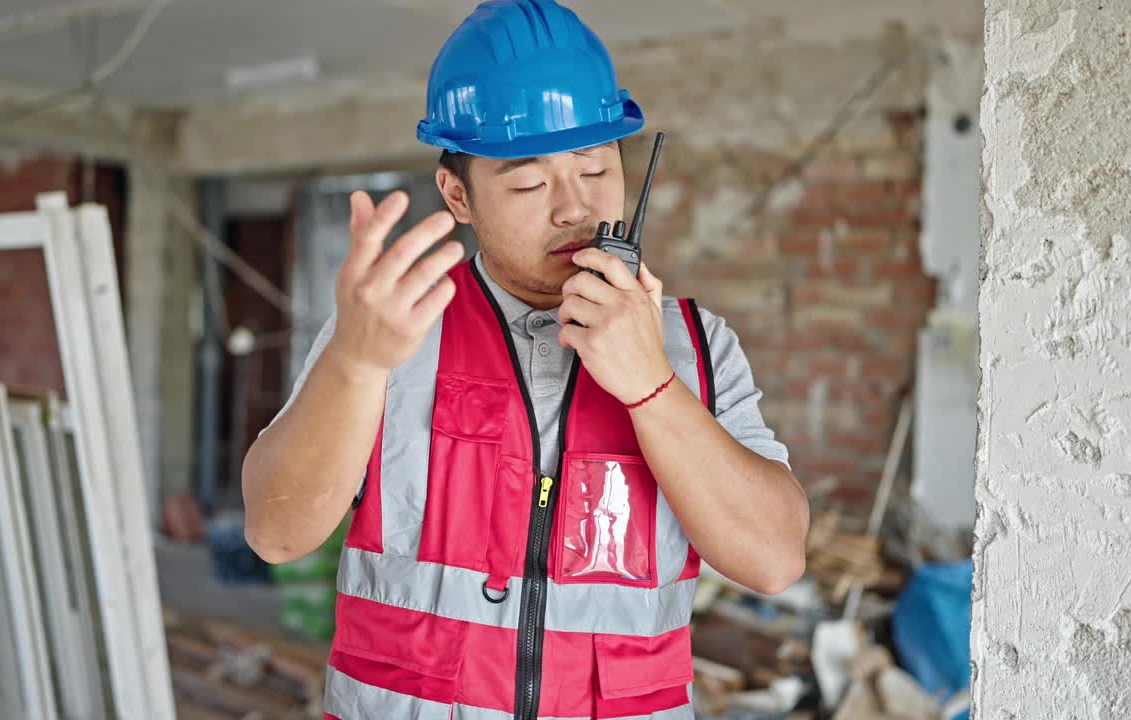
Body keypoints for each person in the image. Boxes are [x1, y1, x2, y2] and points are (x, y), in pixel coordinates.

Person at [242, 1, 809, 717]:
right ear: (458, 194)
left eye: (597, 167)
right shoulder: (390, 328)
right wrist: (355, 364)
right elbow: (275, 533)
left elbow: (775, 560)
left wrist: (651, 386)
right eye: (529, 183)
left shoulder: (696, 346)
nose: (574, 208)